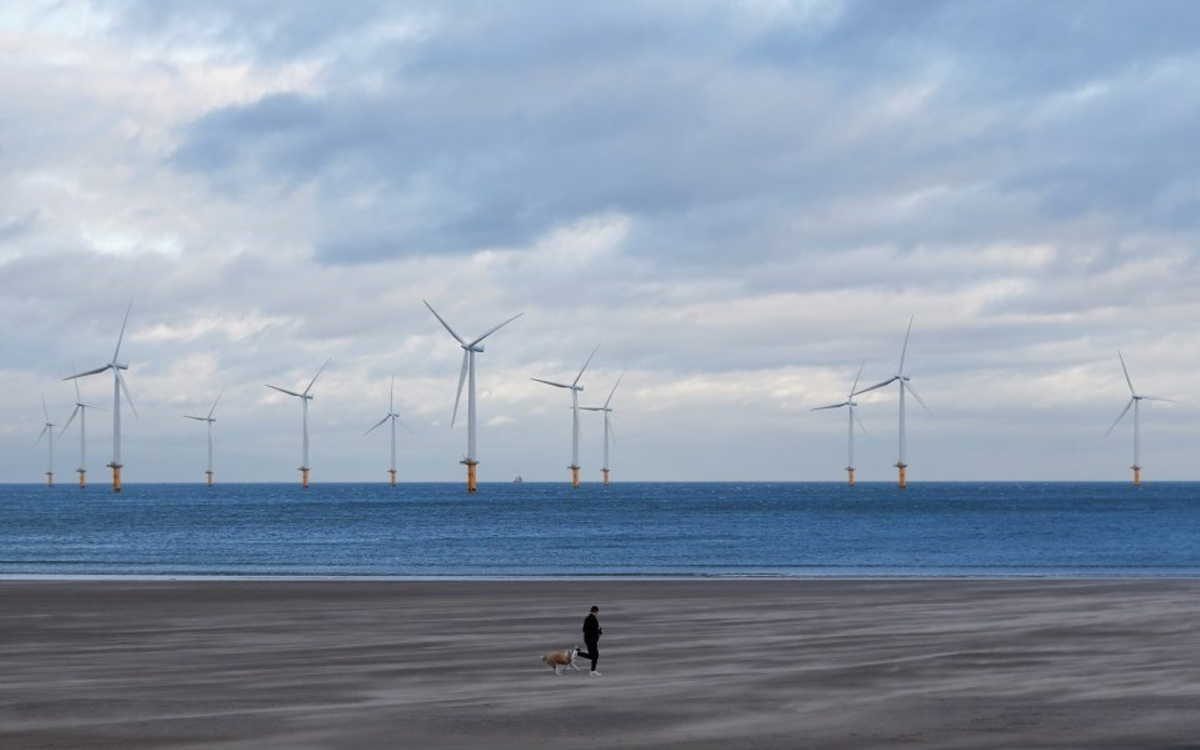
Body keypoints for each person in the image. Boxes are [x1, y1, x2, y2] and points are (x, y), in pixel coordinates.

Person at [578, 605, 602, 676]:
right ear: (595, 611)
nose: (598, 613)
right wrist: (598, 632)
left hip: (590, 639)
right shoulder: (591, 619)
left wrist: (597, 632)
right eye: (597, 612)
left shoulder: (589, 618)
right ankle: (577, 653)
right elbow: (587, 630)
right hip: (591, 640)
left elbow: (586, 629)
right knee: (594, 656)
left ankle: (593, 670)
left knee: (595, 655)